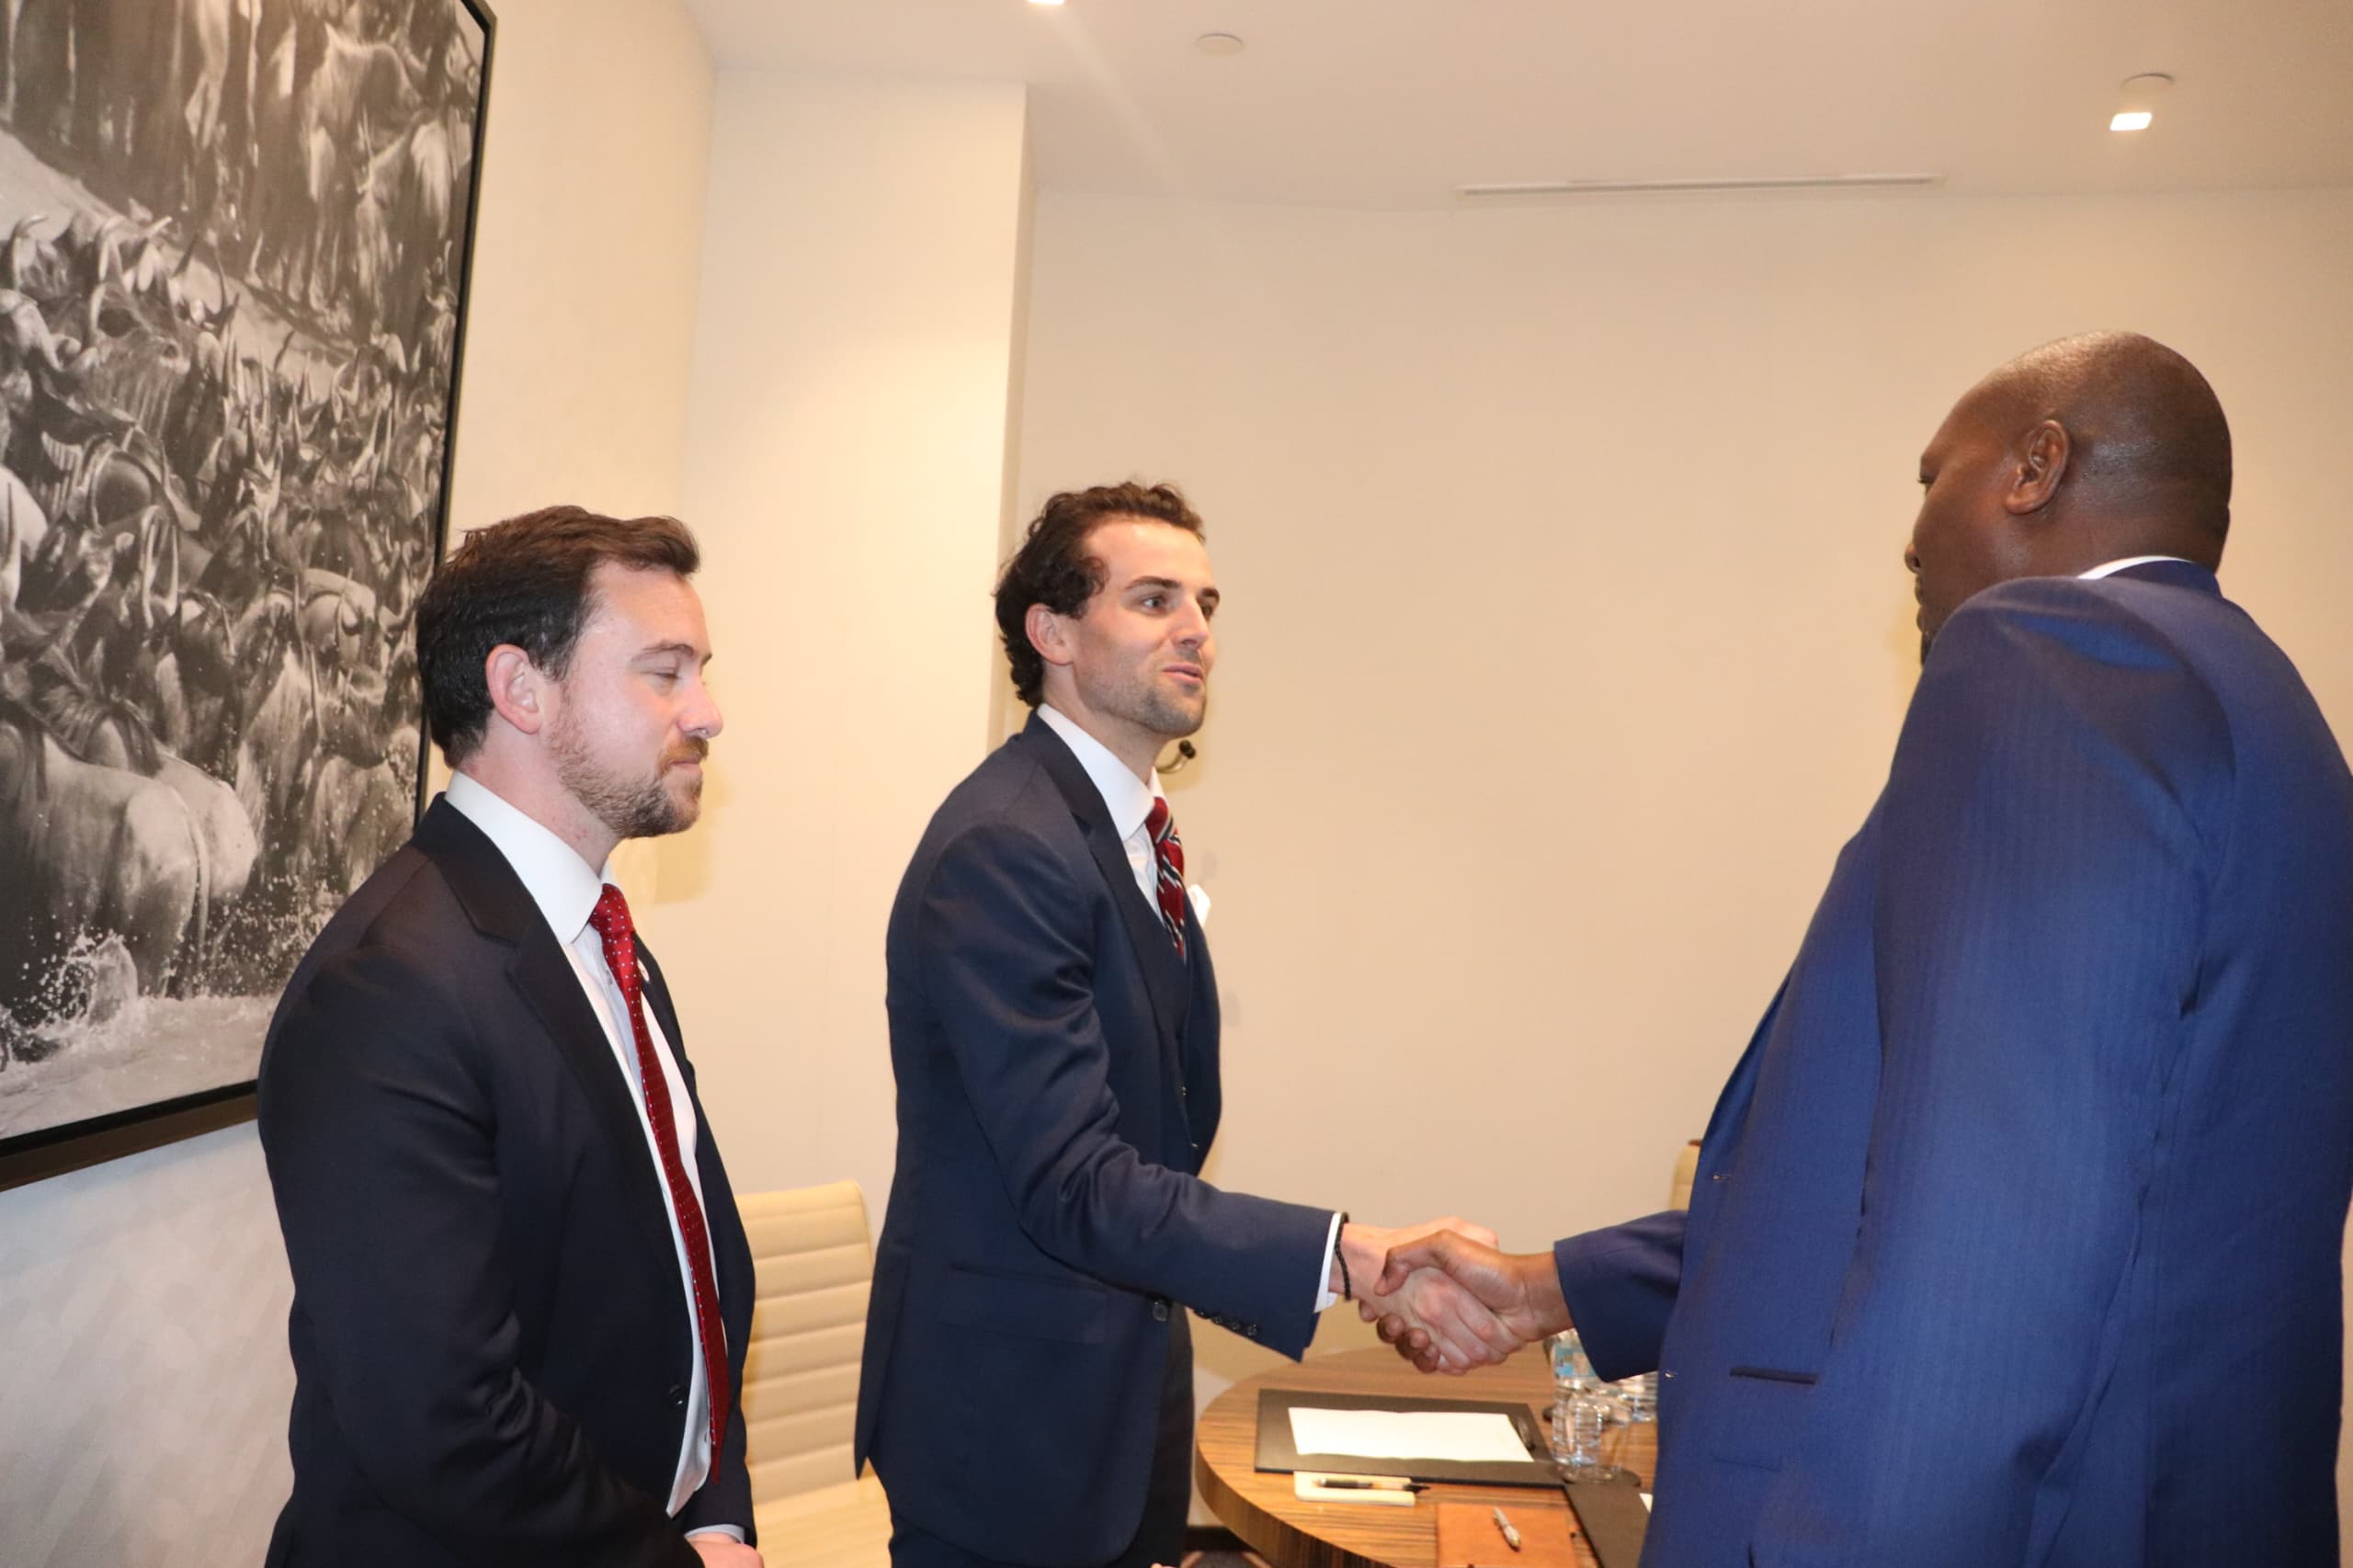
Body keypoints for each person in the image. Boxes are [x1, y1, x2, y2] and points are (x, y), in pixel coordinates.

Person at [1373, 334, 2353, 1566]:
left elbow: (1991, 1233)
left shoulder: (2050, 655)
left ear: (2036, 467)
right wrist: (1553, 1286)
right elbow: (2065, 1169)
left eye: (1933, 476)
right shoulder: (2273, 713)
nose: (1909, 540)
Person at [855, 482, 1513, 1568]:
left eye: (1205, 603)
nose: (1196, 628)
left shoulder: (1117, 832)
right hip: (1007, 1424)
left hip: (1108, 1402)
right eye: (1154, 598)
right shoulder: (1007, 844)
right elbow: (1074, 1179)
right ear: (1052, 631)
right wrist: (1349, 1253)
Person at [256, 506, 761, 1567]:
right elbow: (444, 1420)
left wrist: (715, 1507)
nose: (708, 712)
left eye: (700, 673)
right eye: (664, 672)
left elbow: (686, 1274)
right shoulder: (385, 988)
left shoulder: (607, 941)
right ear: (521, 689)